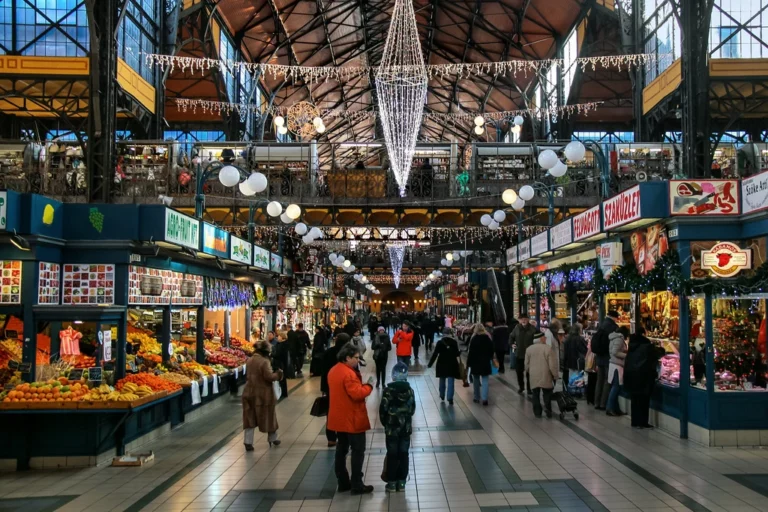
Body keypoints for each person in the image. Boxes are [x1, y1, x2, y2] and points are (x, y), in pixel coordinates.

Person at [327, 343, 375, 495]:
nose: (358, 360)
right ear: (347, 358)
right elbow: (357, 394)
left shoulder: (334, 370)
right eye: (356, 358)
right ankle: (357, 484)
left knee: (341, 449)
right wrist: (369, 386)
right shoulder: (348, 374)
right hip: (352, 417)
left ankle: (342, 481)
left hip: (339, 417)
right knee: (357, 450)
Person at [380, 362, 416, 493]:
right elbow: (412, 409)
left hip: (391, 429)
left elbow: (383, 410)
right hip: (405, 428)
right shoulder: (410, 391)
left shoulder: (388, 391)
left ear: (393, 376)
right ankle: (402, 482)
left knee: (392, 454)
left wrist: (387, 423)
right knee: (404, 454)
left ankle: (391, 482)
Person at [242, 340, 283, 450]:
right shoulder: (264, 361)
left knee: (249, 418)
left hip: (248, 392)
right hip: (263, 394)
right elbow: (269, 377)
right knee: (269, 416)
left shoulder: (249, 360)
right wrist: (279, 374)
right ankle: (272, 438)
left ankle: (248, 442)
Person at [624, 326, 665, 429]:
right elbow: (656, 355)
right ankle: (643, 422)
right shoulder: (647, 346)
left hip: (631, 375)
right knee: (644, 400)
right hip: (643, 376)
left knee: (635, 399)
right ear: (643, 334)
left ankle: (634, 421)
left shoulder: (632, 345)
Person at [321, 333, 350, 447]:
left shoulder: (329, 352)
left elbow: (324, 371)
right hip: (345, 387)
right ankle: (343, 434)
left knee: (331, 411)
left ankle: (331, 438)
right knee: (344, 410)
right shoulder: (348, 354)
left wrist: (323, 388)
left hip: (330, 386)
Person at [525, 332, 558, 418]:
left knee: (535, 394)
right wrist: (555, 375)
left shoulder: (529, 349)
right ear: (540, 339)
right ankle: (548, 410)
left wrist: (529, 371)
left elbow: (526, 364)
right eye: (544, 337)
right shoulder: (548, 349)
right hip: (545, 375)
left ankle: (537, 412)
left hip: (533, 375)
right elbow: (552, 365)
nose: (546, 339)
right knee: (547, 393)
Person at [593, 310, 620, 411]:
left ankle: (596, 402)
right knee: (607, 381)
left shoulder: (601, 324)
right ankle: (603, 404)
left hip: (599, 357)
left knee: (599, 380)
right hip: (608, 358)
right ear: (614, 317)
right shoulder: (613, 327)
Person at [427, 327, 461, 405]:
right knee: (451, 381)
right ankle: (450, 398)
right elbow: (456, 354)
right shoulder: (454, 342)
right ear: (450, 333)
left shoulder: (440, 342)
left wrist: (430, 364)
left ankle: (442, 395)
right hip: (452, 364)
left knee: (442, 379)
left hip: (441, 363)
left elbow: (435, 354)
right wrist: (459, 352)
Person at [466, 324, 495, 405]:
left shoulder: (474, 339)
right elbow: (491, 351)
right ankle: (485, 399)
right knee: (485, 380)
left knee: (476, 380)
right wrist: (489, 358)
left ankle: (476, 397)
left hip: (475, 363)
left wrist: (468, 364)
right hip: (485, 363)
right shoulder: (487, 339)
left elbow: (470, 353)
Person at [510, 313, 536, 395]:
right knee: (519, 372)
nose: (523, 320)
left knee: (530, 372)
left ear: (528, 319)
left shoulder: (533, 329)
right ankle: (521, 387)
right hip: (519, 353)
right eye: (522, 319)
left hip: (530, 354)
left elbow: (538, 338)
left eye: (525, 319)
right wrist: (511, 344)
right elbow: (511, 336)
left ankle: (529, 388)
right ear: (519, 320)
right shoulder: (517, 328)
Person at [606, 326, 630, 416]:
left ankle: (616, 409)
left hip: (614, 364)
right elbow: (615, 352)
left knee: (615, 387)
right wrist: (626, 355)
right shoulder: (619, 339)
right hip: (617, 365)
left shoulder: (614, 338)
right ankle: (610, 408)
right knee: (616, 387)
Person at [271, 331, 292, 398]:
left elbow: (278, 355)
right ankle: (283, 392)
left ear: (282, 337)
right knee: (282, 378)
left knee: (281, 378)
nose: (278, 337)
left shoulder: (282, 345)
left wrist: (272, 354)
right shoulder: (284, 344)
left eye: (279, 336)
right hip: (282, 364)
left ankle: (282, 393)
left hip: (280, 364)